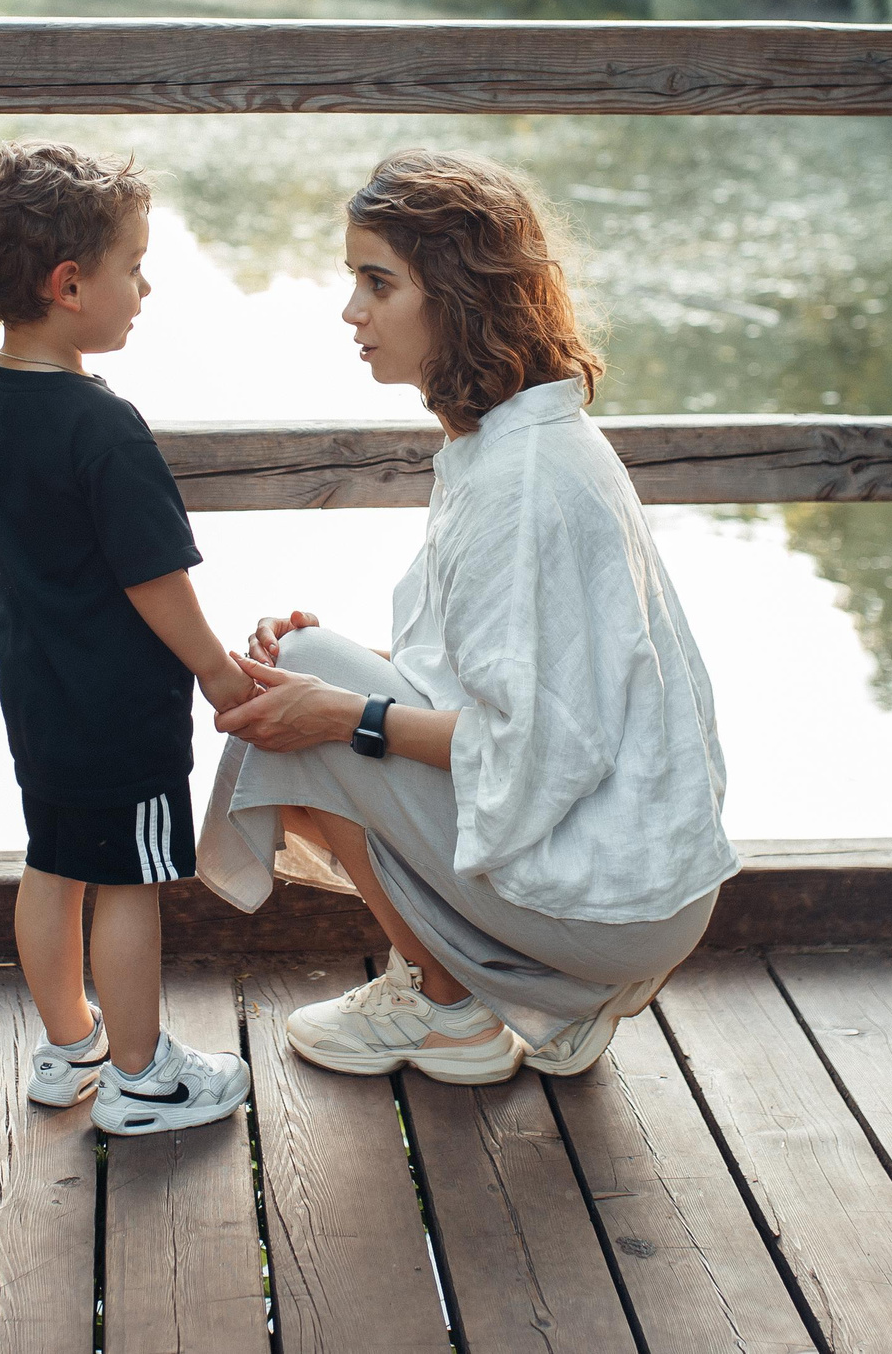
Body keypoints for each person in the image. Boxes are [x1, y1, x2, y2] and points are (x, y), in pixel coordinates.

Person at [204, 148, 738, 1082]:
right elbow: (512, 680)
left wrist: (339, 714)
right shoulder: (523, 438)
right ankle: (533, 991)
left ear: (452, 296)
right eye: (352, 280)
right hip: (630, 880)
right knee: (307, 660)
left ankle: (453, 1006)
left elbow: (537, 744)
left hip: (613, 904)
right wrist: (337, 675)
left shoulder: (522, 484)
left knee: (302, 721)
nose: (351, 311)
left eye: (378, 282)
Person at [0, 139, 256, 1135]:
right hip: (117, 704)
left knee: (54, 860)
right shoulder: (104, 426)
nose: (147, 286)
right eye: (133, 267)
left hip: (37, 688)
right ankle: (141, 1078)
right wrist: (216, 671)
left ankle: (68, 1043)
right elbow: (154, 578)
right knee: (130, 879)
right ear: (71, 283)